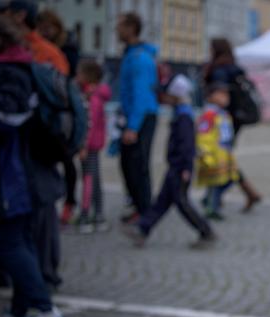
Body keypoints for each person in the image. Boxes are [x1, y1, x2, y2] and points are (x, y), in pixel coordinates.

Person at [0, 13, 64, 317]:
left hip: (12, 176)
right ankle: (20, 309)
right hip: (16, 174)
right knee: (19, 240)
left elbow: (8, 116)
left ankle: (44, 309)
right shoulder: (10, 67)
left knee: (8, 241)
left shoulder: (9, 71)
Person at [123, 75, 216, 248]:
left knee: (180, 201)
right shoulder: (181, 114)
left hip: (180, 166)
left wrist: (185, 167)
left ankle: (206, 231)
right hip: (176, 165)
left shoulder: (183, 117)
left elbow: (187, 145)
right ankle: (143, 228)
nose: (163, 98)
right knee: (163, 200)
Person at [203, 37, 263, 212]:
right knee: (225, 157)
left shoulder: (220, 70)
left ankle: (215, 197)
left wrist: (210, 99)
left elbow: (221, 98)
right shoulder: (235, 68)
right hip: (236, 119)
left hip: (223, 120)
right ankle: (241, 193)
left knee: (220, 158)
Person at [36, 8, 80, 224]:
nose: (44, 32)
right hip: (48, 113)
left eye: (48, 28)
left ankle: (69, 201)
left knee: (66, 158)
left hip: (59, 114)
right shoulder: (43, 48)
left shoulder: (62, 51)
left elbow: (68, 86)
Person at [116, 11, 159, 222]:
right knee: (128, 164)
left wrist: (133, 126)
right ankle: (139, 207)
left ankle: (144, 212)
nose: (117, 30)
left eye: (120, 26)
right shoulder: (131, 55)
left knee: (138, 166)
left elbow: (141, 94)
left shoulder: (139, 58)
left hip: (141, 117)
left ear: (131, 28)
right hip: (135, 116)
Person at [75, 59, 111, 233]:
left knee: (88, 179)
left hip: (89, 146)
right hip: (94, 145)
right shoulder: (96, 96)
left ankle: (85, 215)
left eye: (79, 73)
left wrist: (82, 145)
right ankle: (98, 215)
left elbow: (88, 123)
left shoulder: (91, 98)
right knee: (95, 179)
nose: (76, 76)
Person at [196, 82, 238, 220]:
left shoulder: (222, 114)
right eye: (221, 94)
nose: (225, 97)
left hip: (224, 154)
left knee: (228, 179)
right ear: (210, 96)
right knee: (214, 183)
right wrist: (206, 153)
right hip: (214, 155)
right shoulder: (209, 114)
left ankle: (210, 202)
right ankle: (211, 208)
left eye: (226, 94)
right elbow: (204, 135)